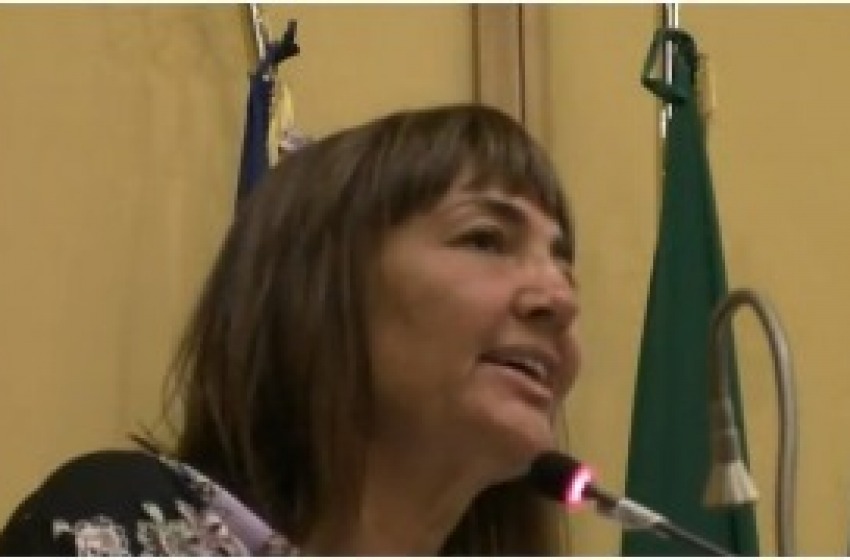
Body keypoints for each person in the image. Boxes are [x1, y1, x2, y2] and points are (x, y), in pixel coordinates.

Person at [0, 103, 580, 556]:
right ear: (319, 288)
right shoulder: (124, 523)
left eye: (564, 267)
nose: (560, 299)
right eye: (484, 240)